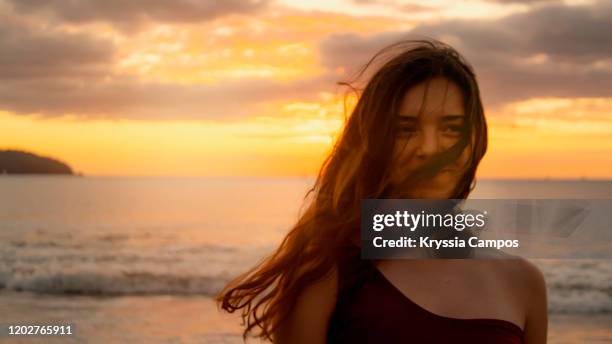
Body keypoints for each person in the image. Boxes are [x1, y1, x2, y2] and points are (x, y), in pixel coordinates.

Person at [216, 39, 548, 343]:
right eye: (405, 129)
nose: (429, 148)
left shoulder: (524, 283)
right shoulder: (327, 269)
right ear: (377, 142)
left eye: (451, 128)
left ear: (475, 139)